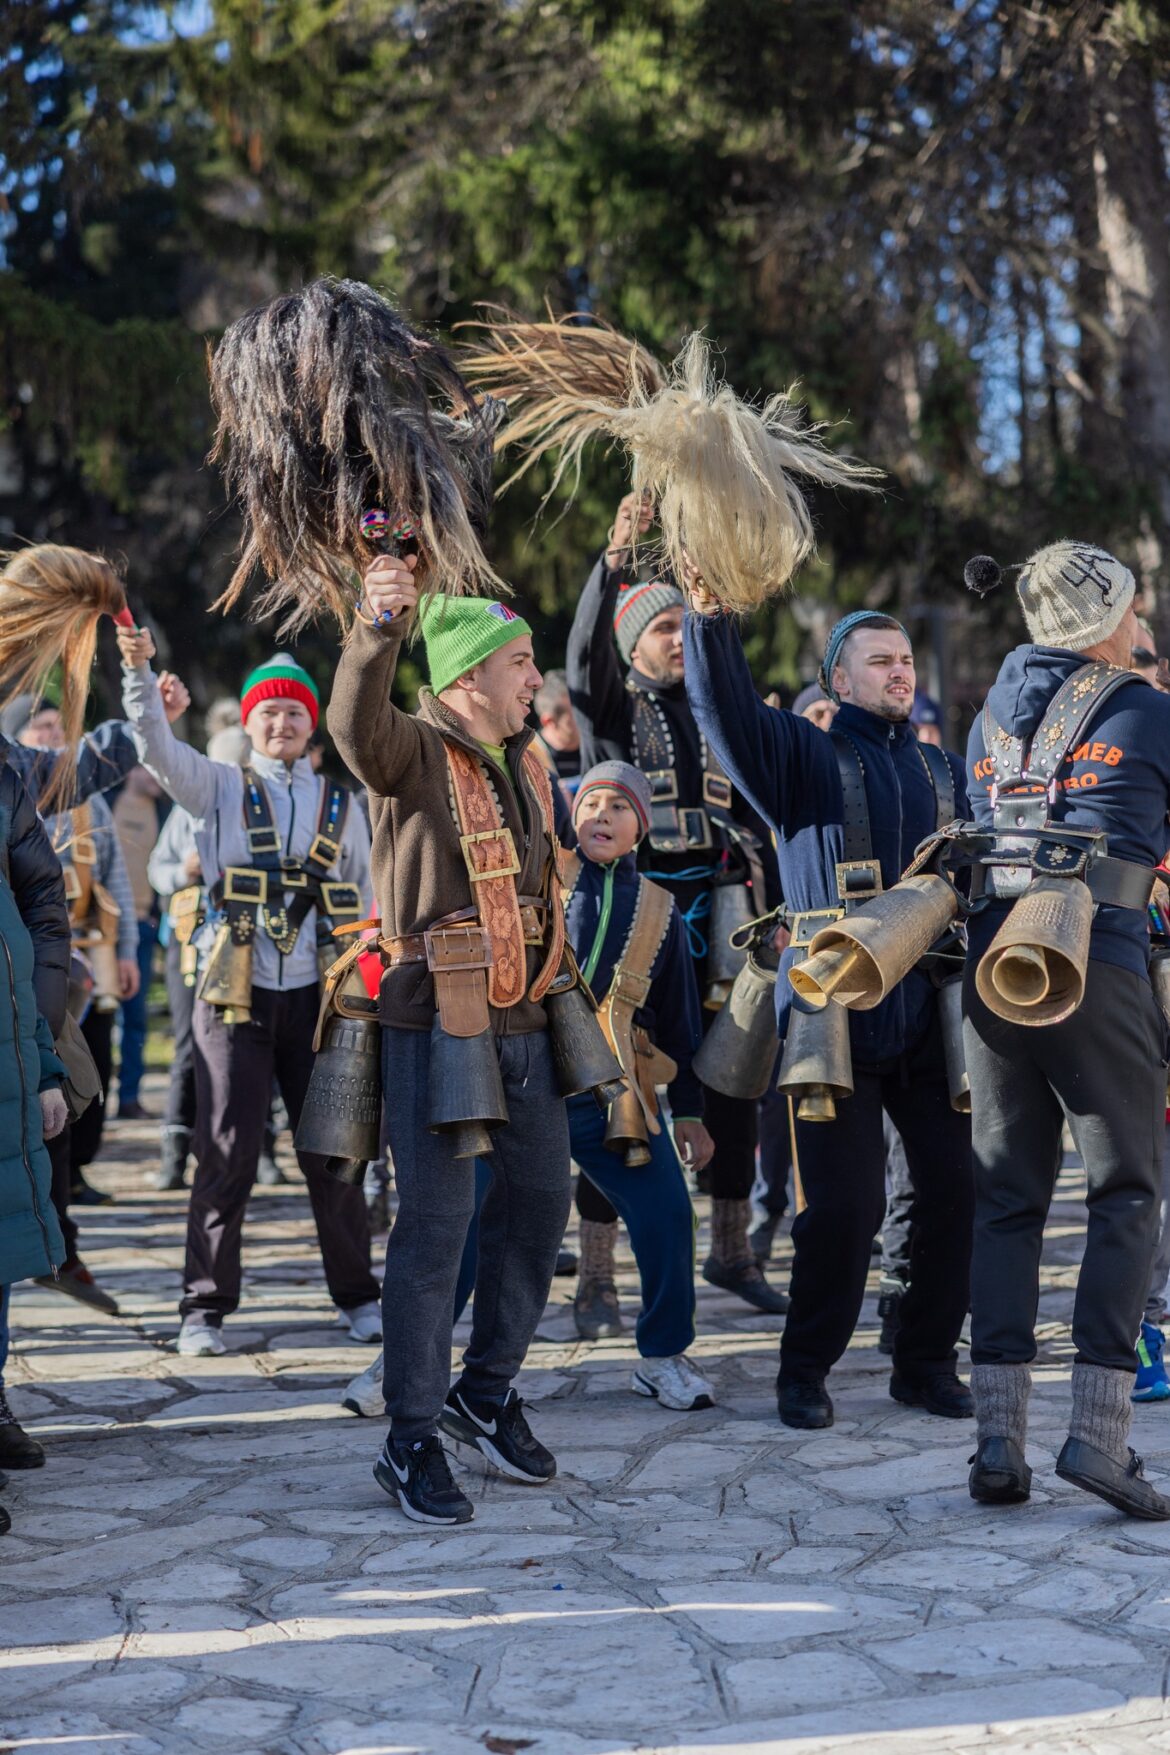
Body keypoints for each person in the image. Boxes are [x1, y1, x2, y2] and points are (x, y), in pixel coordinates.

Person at [684, 593, 974, 1431]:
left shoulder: (943, 771)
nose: (899, 672)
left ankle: (923, 1362)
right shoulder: (799, 757)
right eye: (879, 661)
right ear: (838, 678)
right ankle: (805, 1368)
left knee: (957, 1189)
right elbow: (723, 710)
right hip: (832, 1012)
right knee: (845, 1210)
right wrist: (709, 623)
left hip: (928, 1007)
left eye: (905, 660)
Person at [330, 556, 572, 1527]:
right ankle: (411, 1435)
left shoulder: (529, 762)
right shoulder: (412, 751)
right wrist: (376, 628)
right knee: (435, 1235)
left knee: (542, 1209)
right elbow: (353, 724)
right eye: (520, 662)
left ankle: (487, 1389)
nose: (534, 679)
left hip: (529, 1017)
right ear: (469, 675)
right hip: (436, 1019)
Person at [962, 542, 1170, 1518]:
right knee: (1127, 1192)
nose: (1145, 628)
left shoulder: (988, 714)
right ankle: (1099, 1440)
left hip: (993, 968)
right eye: (1135, 610)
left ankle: (997, 1444)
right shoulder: (1142, 708)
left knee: (1007, 1199)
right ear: (1103, 621)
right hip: (1097, 965)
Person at [116, 634, 381, 1357]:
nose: (283, 723)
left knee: (334, 1150)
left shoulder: (341, 802)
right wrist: (139, 675)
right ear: (251, 722)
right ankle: (202, 1308)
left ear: (311, 724)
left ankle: (358, 1296)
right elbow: (154, 747)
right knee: (226, 1146)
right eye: (270, 712)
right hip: (232, 993)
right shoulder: (218, 786)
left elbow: (370, 897)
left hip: (318, 997)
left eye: (296, 713)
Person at [567, 491, 786, 1314]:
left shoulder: (718, 711)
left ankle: (731, 1251)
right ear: (636, 643)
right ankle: (595, 1275)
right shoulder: (615, 715)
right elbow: (584, 656)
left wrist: (708, 599)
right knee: (621, 1080)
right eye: (662, 630)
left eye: (679, 628)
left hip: (726, 917)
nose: (676, 640)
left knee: (734, 1079)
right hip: (643, 921)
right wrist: (617, 556)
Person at [0, 755, 71, 1505]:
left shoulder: (5, 778)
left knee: (2, 1246)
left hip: (13, 1055)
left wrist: (44, 1054)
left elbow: (40, 909)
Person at [111, 765, 163, 1119]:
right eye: (151, 770)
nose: (158, 778)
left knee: (136, 1017)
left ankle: (129, 1098)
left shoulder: (165, 810)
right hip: (100, 927)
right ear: (132, 768)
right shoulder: (105, 802)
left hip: (144, 924)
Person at [533, 670, 583, 787]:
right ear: (549, 722)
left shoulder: (598, 746)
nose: (587, 720)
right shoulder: (529, 754)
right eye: (577, 715)